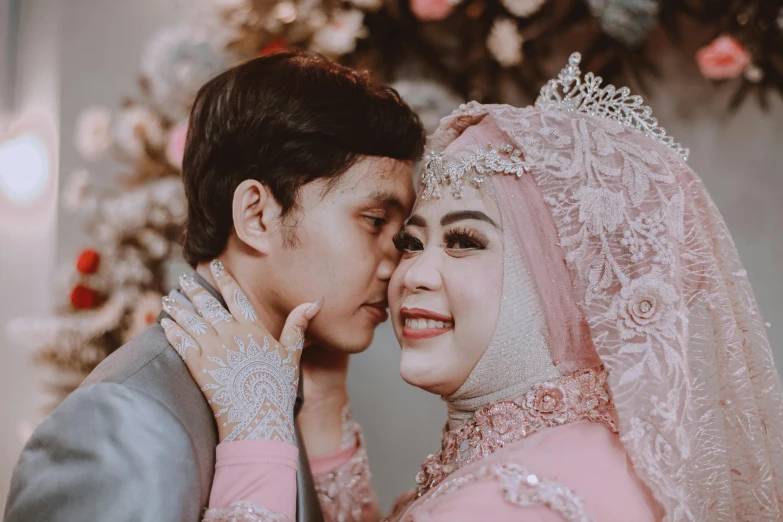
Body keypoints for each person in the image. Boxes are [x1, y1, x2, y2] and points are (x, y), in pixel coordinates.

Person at [162, 53, 783, 521]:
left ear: (563, 275)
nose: (408, 274)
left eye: (465, 241)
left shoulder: (519, 500)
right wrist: (321, 413)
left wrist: (256, 438)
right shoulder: (580, 448)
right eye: (411, 240)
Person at [3, 51, 425, 522]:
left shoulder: (277, 385)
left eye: (402, 235)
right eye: (373, 221)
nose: (397, 265)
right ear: (257, 215)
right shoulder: (125, 417)